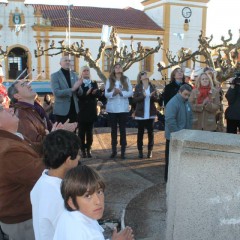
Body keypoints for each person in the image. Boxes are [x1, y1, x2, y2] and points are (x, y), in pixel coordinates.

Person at [53, 165, 134, 240]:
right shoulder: (84, 232)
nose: (98, 201)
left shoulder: (69, 215)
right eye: (88, 196)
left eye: (99, 192)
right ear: (72, 203)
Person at [0, 104, 44, 240]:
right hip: (23, 221)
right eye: (3, 110)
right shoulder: (8, 150)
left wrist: (54, 137)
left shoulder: (10, 139)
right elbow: (40, 174)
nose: (10, 109)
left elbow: (32, 150)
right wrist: (63, 154)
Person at [31, 130, 81, 240]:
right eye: (77, 155)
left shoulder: (43, 181)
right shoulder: (61, 197)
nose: (79, 158)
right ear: (68, 160)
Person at [7, 80, 77, 154]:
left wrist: (61, 129)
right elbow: (35, 145)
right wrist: (58, 132)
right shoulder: (21, 115)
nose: (29, 85)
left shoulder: (35, 108)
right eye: (23, 85)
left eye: (26, 83)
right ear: (17, 96)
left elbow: (46, 130)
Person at [164, 84, 193, 182]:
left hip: (184, 136)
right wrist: (177, 134)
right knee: (171, 160)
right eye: (185, 94)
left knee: (180, 160)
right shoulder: (173, 103)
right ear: (179, 92)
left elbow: (190, 118)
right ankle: (168, 180)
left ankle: (178, 180)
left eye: (189, 95)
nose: (187, 97)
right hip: (173, 137)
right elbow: (170, 120)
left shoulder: (187, 103)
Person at [105, 63, 133, 159]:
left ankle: (123, 152)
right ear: (113, 69)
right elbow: (106, 94)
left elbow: (130, 92)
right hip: (112, 109)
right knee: (113, 130)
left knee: (123, 130)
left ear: (122, 69)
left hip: (123, 109)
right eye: (116, 67)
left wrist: (121, 92)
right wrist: (113, 92)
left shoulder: (126, 79)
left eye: (119, 67)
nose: (118, 68)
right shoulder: (109, 80)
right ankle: (114, 150)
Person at [133, 71, 158, 158]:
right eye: (144, 76)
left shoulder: (152, 86)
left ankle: (150, 151)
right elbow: (134, 100)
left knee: (151, 133)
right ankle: (140, 151)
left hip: (150, 113)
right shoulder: (138, 87)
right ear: (140, 78)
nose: (146, 77)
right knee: (140, 133)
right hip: (140, 114)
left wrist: (152, 96)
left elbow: (157, 99)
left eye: (146, 75)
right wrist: (143, 96)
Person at [77, 66, 101, 158]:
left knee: (90, 132)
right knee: (81, 133)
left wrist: (96, 92)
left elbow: (98, 95)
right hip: (82, 111)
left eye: (87, 70)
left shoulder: (93, 82)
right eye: (84, 70)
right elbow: (77, 96)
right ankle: (82, 150)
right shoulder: (79, 83)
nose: (86, 72)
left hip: (91, 110)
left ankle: (89, 149)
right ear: (81, 72)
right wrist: (86, 94)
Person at [51, 56, 82, 123]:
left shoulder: (74, 75)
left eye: (69, 61)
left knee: (73, 132)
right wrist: (72, 89)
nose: (68, 62)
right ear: (60, 63)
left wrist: (78, 88)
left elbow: (80, 92)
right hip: (61, 111)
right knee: (62, 132)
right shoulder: (55, 76)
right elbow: (56, 93)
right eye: (65, 60)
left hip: (74, 110)